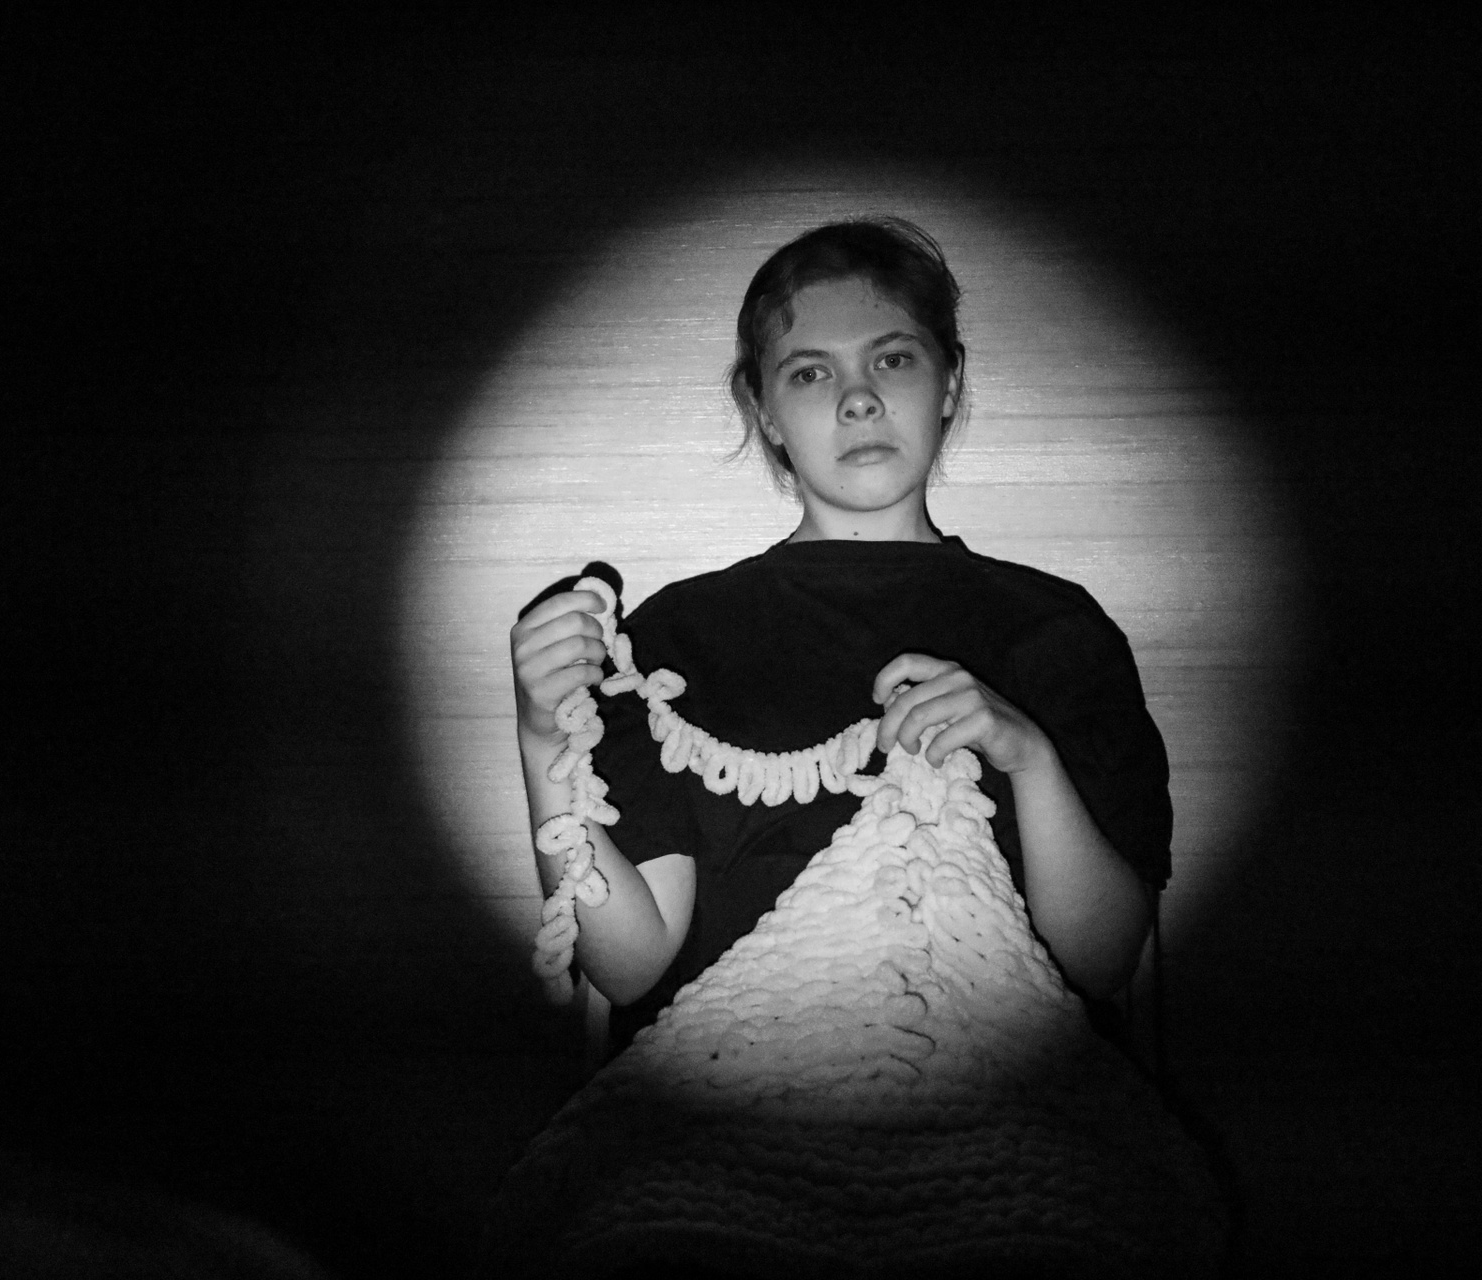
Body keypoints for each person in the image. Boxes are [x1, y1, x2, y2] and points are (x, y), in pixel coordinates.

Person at [493, 219, 1213, 1278]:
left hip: (1014, 1122)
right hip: (723, 1128)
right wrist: (541, 734)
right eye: (811, 371)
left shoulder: (1058, 629)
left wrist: (1028, 757)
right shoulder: (675, 639)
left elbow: (1100, 961)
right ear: (766, 412)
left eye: (893, 359)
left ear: (949, 382)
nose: (859, 398)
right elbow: (631, 956)